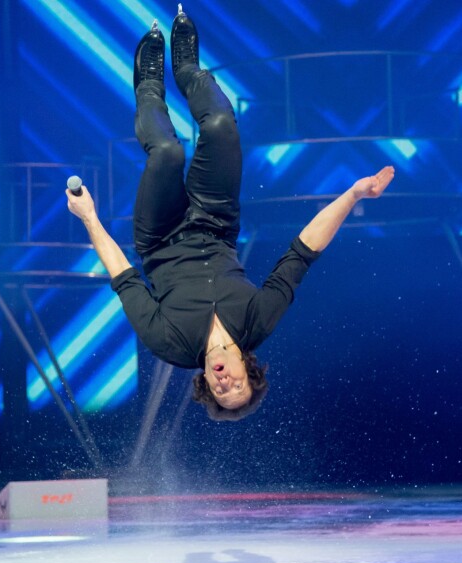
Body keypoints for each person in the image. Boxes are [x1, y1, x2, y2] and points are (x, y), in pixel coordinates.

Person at [66, 5, 395, 421]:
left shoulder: (169, 345)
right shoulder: (259, 321)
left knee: (167, 152)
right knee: (220, 123)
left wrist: (89, 218)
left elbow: (124, 278)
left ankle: (149, 85)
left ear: (206, 385)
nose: (226, 384)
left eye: (221, 393)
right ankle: (187, 70)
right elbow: (302, 254)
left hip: (161, 235)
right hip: (216, 222)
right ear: (248, 369)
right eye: (238, 385)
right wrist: (353, 194)